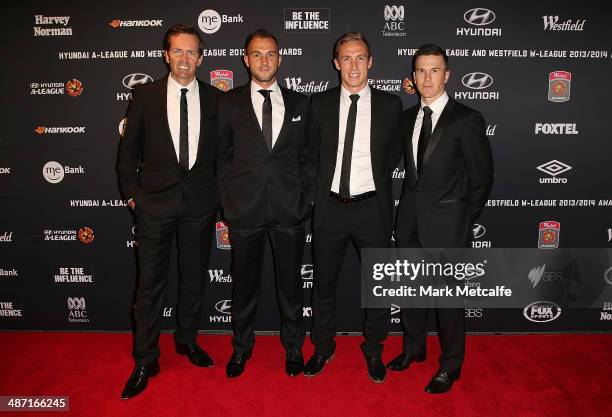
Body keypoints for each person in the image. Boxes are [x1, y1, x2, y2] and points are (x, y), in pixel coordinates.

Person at [117, 24, 221, 399]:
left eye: (191, 52)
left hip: (199, 206)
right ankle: (145, 358)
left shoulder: (214, 99)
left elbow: (223, 157)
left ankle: (187, 341)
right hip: (155, 206)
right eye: (177, 51)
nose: (184, 59)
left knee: (193, 279)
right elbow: (128, 154)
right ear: (166, 55)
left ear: (201, 57)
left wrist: (217, 197)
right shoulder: (145, 96)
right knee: (150, 286)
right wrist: (134, 197)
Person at [389, 44, 494, 393]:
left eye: (434, 70)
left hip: (448, 228)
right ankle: (413, 350)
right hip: (409, 223)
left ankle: (451, 364)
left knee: (449, 302)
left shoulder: (466, 119)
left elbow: (482, 179)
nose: (427, 77)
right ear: (413, 76)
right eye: (420, 70)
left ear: (446, 75)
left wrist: (461, 220)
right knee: (411, 294)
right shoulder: (406, 118)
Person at [304, 32, 403, 383]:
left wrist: (372, 181)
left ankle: (374, 348)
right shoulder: (320, 104)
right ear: (336, 63)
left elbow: (394, 152)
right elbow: (311, 154)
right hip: (330, 209)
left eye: (360, 57)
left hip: (371, 209)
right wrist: (317, 196)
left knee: (377, 286)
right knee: (324, 285)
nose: (353, 65)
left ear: (371, 62)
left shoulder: (392, 106)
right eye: (346, 58)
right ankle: (322, 346)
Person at [217, 29, 314, 378]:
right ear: (246, 59)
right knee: (243, 286)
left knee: (291, 287)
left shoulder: (302, 103)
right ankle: (241, 349)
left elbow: (308, 158)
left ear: (280, 58)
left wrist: (307, 197)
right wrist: (228, 199)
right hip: (245, 210)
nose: (264, 60)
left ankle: (293, 348)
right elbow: (222, 158)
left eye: (270, 53)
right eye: (257, 54)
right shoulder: (227, 104)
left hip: (289, 209)